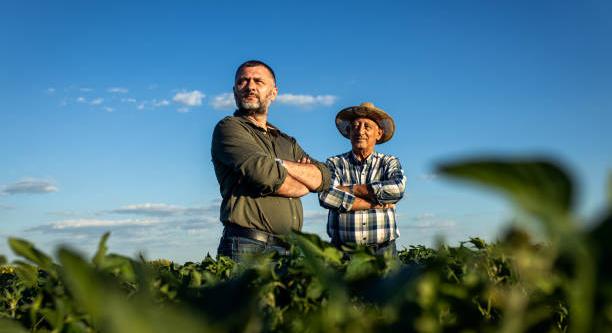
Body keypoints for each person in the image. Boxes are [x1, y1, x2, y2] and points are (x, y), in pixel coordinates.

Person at [211, 60, 331, 262]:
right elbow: (264, 174)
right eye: (243, 81)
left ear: (273, 93)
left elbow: (325, 176)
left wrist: (280, 164)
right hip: (248, 247)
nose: (250, 86)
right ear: (234, 91)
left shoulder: (285, 141)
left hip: (289, 249)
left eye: (258, 81)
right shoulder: (229, 128)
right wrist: (304, 182)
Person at [318, 102, 406, 257]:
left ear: (378, 134)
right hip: (344, 251)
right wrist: (375, 203)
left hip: (383, 251)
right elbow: (326, 196)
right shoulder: (335, 163)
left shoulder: (388, 162)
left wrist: (351, 189)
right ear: (348, 131)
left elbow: (397, 189)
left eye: (367, 126)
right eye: (356, 126)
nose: (360, 131)